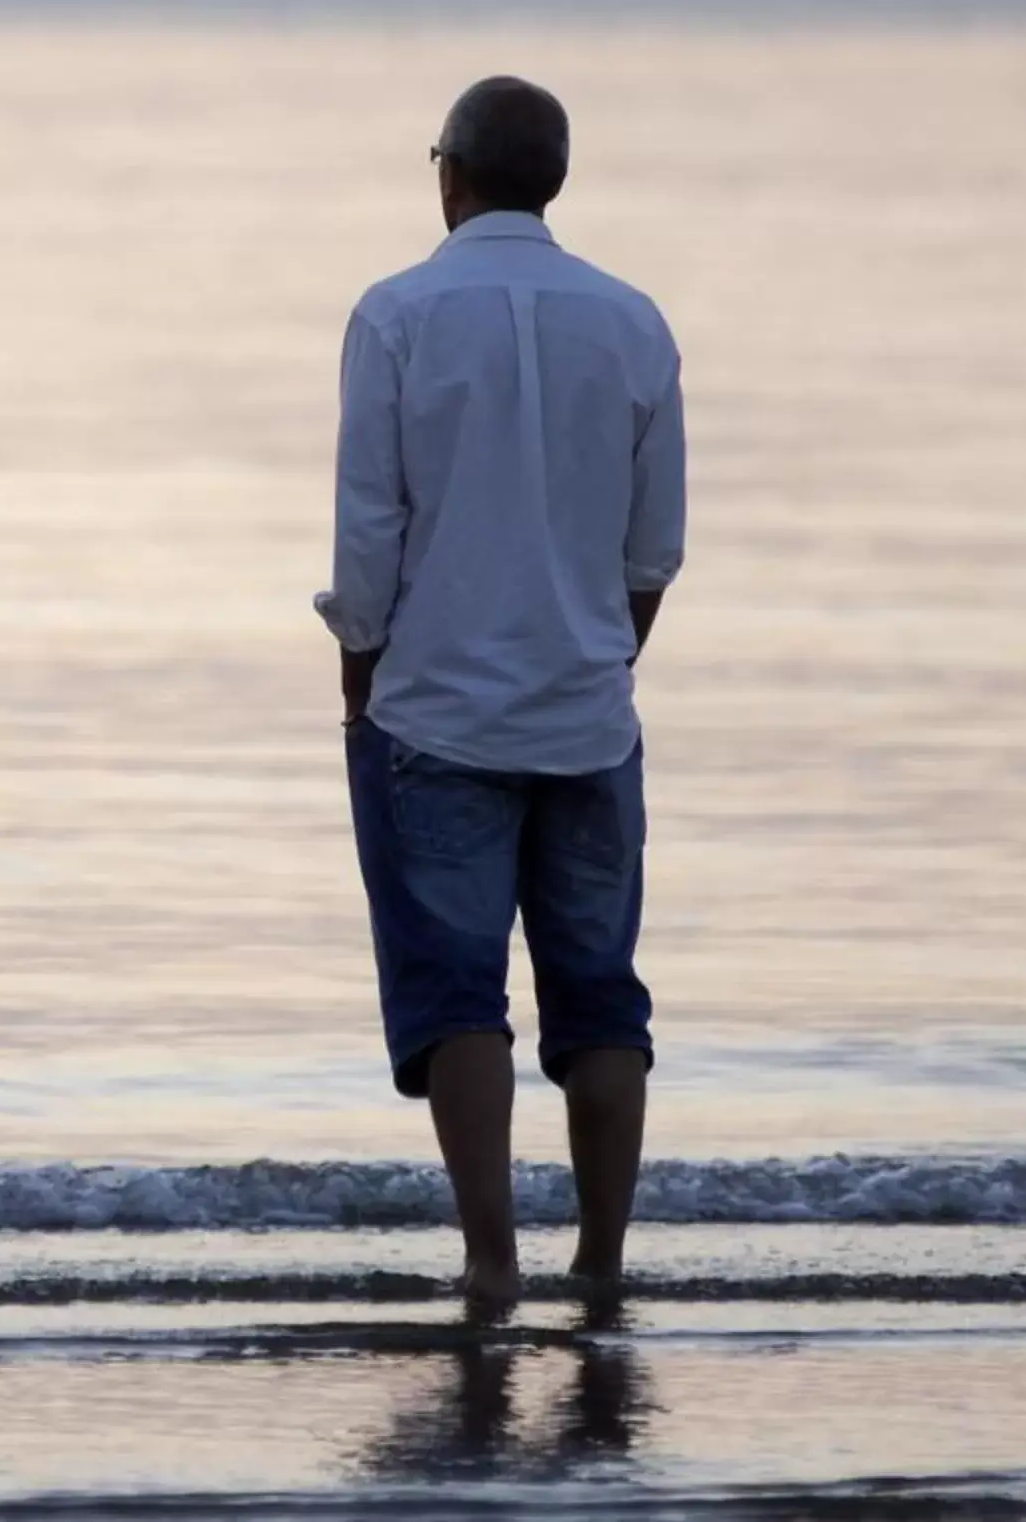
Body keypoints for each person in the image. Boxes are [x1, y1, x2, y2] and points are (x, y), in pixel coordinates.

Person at [317, 75, 686, 1306]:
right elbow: (653, 552)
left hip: (437, 708)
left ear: (449, 177)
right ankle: (602, 1261)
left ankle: (490, 1258)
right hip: (588, 713)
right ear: (557, 180)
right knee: (600, 996)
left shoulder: (396, 315)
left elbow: (370, 531)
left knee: (456, 985)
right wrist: (600, 657)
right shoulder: (634, 322)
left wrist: (361, 677)